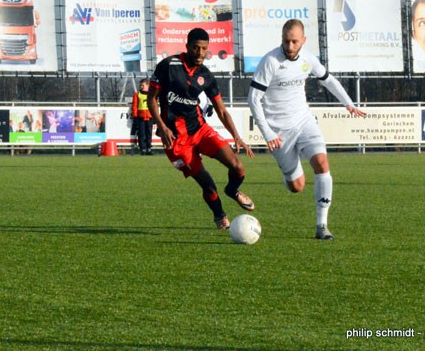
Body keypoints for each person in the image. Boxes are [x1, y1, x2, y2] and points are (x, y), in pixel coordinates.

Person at [247, 19, 366, 240]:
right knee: (297, 186)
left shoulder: (309, 59)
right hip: (279, 131)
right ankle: (290, 176)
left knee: (322, 163)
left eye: (294, 41)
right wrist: (268, 134)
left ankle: (322, 226)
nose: (290, 47)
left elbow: (328, 81)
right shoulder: (270, 61)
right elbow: (253, 99)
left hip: (304, 121)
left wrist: (348, 103)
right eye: (286, 41)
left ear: (303, 40)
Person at [148, 27, 255, 230]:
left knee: (238, 166)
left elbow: (221, 111)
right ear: (187, 46)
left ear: (207, 49)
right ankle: (220, 216)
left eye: (204, 49)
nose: (199, 53)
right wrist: (161, 126)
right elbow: (151, 98)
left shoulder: (206, 75)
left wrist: (237, 137)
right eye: (196, 48)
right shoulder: (168, 66)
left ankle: (233, 191)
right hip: (176, 140)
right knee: (208, 184)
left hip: (200, 130)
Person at [132, 78, 154, 155]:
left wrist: (155, 116)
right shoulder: (137, 95)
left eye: (143, 85)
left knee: (149, 133)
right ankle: (143, 149)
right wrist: (135, 115)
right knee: (141, 134)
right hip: (140, 117)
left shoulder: (152, 95)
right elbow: (135, 106)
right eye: (141, 85)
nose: (141, 87)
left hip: (149, 116)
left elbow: (154, 106)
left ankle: (149, 148)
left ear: (148, 85)